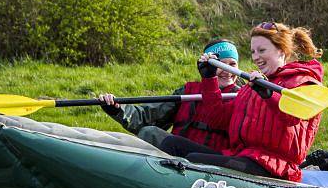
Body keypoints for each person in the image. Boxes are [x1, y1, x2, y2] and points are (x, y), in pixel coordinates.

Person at [157, 22, 325, 181]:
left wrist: (268, 95)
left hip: (273, 166)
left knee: (194, 160)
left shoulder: (304, 82)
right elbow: (218, 118)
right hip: (242, 156)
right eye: (253, 52)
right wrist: (209, 79)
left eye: (262, 50)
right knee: (173, 144)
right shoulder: (253, 85)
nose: (256, 57)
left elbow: (292, 118)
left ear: (281, 51)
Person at [98, 39, 241, 150]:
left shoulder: (243, 96)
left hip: (215, 165)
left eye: (232, 64)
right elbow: (147, 118)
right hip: (176, 155)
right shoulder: (187, 92)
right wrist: (117, 108)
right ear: (208, 66)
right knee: (150, 132)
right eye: (221, 65)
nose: (227, 71)